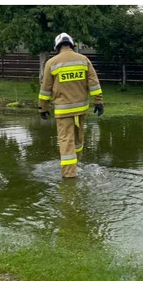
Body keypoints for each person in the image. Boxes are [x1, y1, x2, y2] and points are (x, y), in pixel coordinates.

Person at [38, 32, 104, 179]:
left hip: (63, 111)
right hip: (81, 109)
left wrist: (43, 107)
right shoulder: (83, 60)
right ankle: (77, 164)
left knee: (66, 141)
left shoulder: (52, 63)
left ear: (57, 46)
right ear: (72, 45)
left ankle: (69, 175)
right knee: (78, 139)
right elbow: (94, 83)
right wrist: (98, 102)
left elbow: (45, 89)